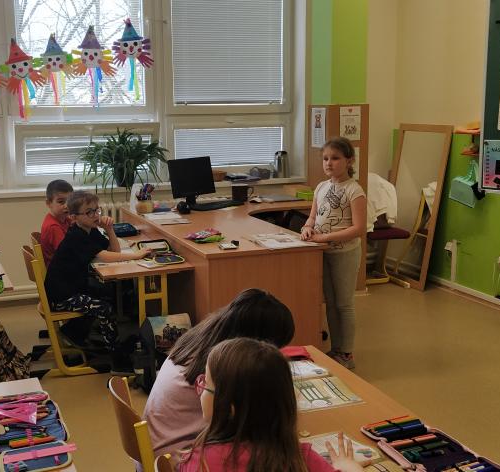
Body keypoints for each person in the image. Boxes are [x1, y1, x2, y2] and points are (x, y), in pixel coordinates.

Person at [144, 288, 295, 461]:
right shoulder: (220, 365)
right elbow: (252, 421)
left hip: (159, 448)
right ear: (254, 339)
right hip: (175, 459)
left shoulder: (201, 338)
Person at [178, 338, 362, 472]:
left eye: (205, 383)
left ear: (230, 408)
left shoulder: (199, 462)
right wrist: (350, 467)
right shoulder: (298, 459)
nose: (200, 387)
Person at [43, 190, 150, 373]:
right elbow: (105, 257)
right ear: (74, 217)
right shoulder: (76, 236)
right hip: (61, 296)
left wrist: (109, 229)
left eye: (96, 210)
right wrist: (135, 255)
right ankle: (116, 357)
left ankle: (74, 332)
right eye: (89, 212)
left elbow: (114, 251)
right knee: (103, 308)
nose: (95, 215)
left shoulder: (90, 231)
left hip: (72, 288)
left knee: (106, 293)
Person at [300, 137, 367, 369]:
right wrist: (307, 227)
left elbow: (358, 228)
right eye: (326, 158)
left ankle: (346, 353)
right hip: (324, 253)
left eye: (335, 158)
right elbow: (312, 216)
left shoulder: (354, 190)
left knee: (343, 304)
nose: (329, 163)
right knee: (330, 302)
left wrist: (324, 237)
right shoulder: (321, 187)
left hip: (344, 253)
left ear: (349, 161)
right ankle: (336, 349)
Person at [39, 179, 74, 267]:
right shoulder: (53, 227)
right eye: (61, 202)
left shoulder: (66, 219)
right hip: (61, 271)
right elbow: (68, 254)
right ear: (48, 203)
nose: (66, 206)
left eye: (69, 201)